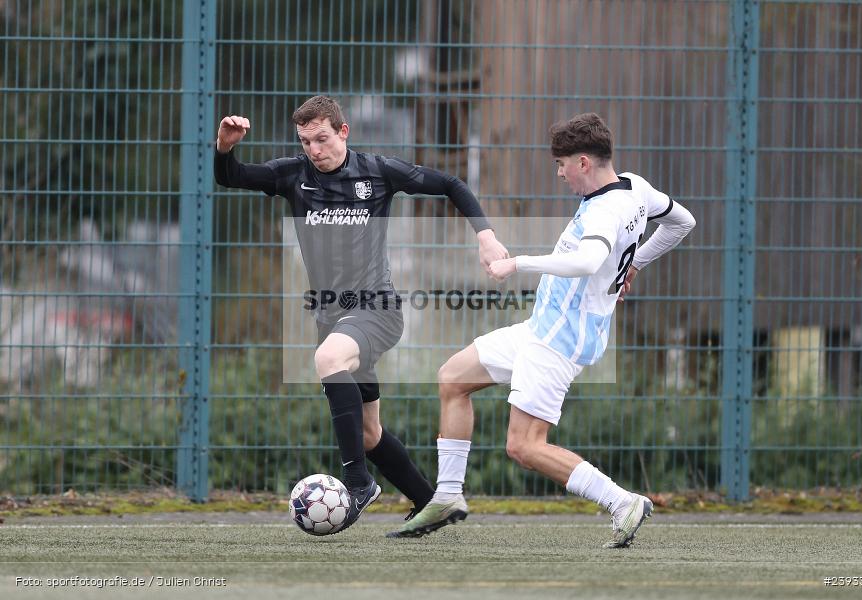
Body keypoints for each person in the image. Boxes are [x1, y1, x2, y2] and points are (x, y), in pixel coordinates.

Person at [390, 112, 695, 547]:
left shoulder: (606, 211)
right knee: (453, 377)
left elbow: (587, 262)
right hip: (542, 328)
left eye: (562, 164)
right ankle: (448, 495)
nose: (560, 174)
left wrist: (519, 263)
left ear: (584, 162)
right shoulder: (635, 186)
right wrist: (635, 265)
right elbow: (683, 221)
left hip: (559, 340)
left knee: (525, 447)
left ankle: (622, 501)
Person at [213, 95, 508, 531]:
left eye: (322, 138)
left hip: (377, 310)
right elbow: (232, 177)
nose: (315, 149)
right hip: (332, 318)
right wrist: (225, 147)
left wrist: (485, 237)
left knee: (329, 359)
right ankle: (432, 502)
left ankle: (358, 483)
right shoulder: (293, 175)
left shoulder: (377, 172)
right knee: (369, 433)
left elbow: (451, 184)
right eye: (306, 141)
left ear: (343, 131)